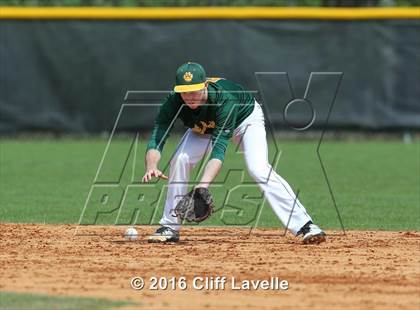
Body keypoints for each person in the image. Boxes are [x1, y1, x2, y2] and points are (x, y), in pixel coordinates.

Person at [142, 62, 326, 244]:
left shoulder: (225, 99)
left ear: (205, 85)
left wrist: (201, 188)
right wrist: (152, 165)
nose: (189, 96)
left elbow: (218, 151)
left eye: (194, 91)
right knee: (180, 159)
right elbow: (158, 137)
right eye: (184, 91)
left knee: (258, 168)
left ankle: (305, 225)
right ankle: (169, 227)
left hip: (245, 120)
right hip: (203, 127)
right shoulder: (174, 101)